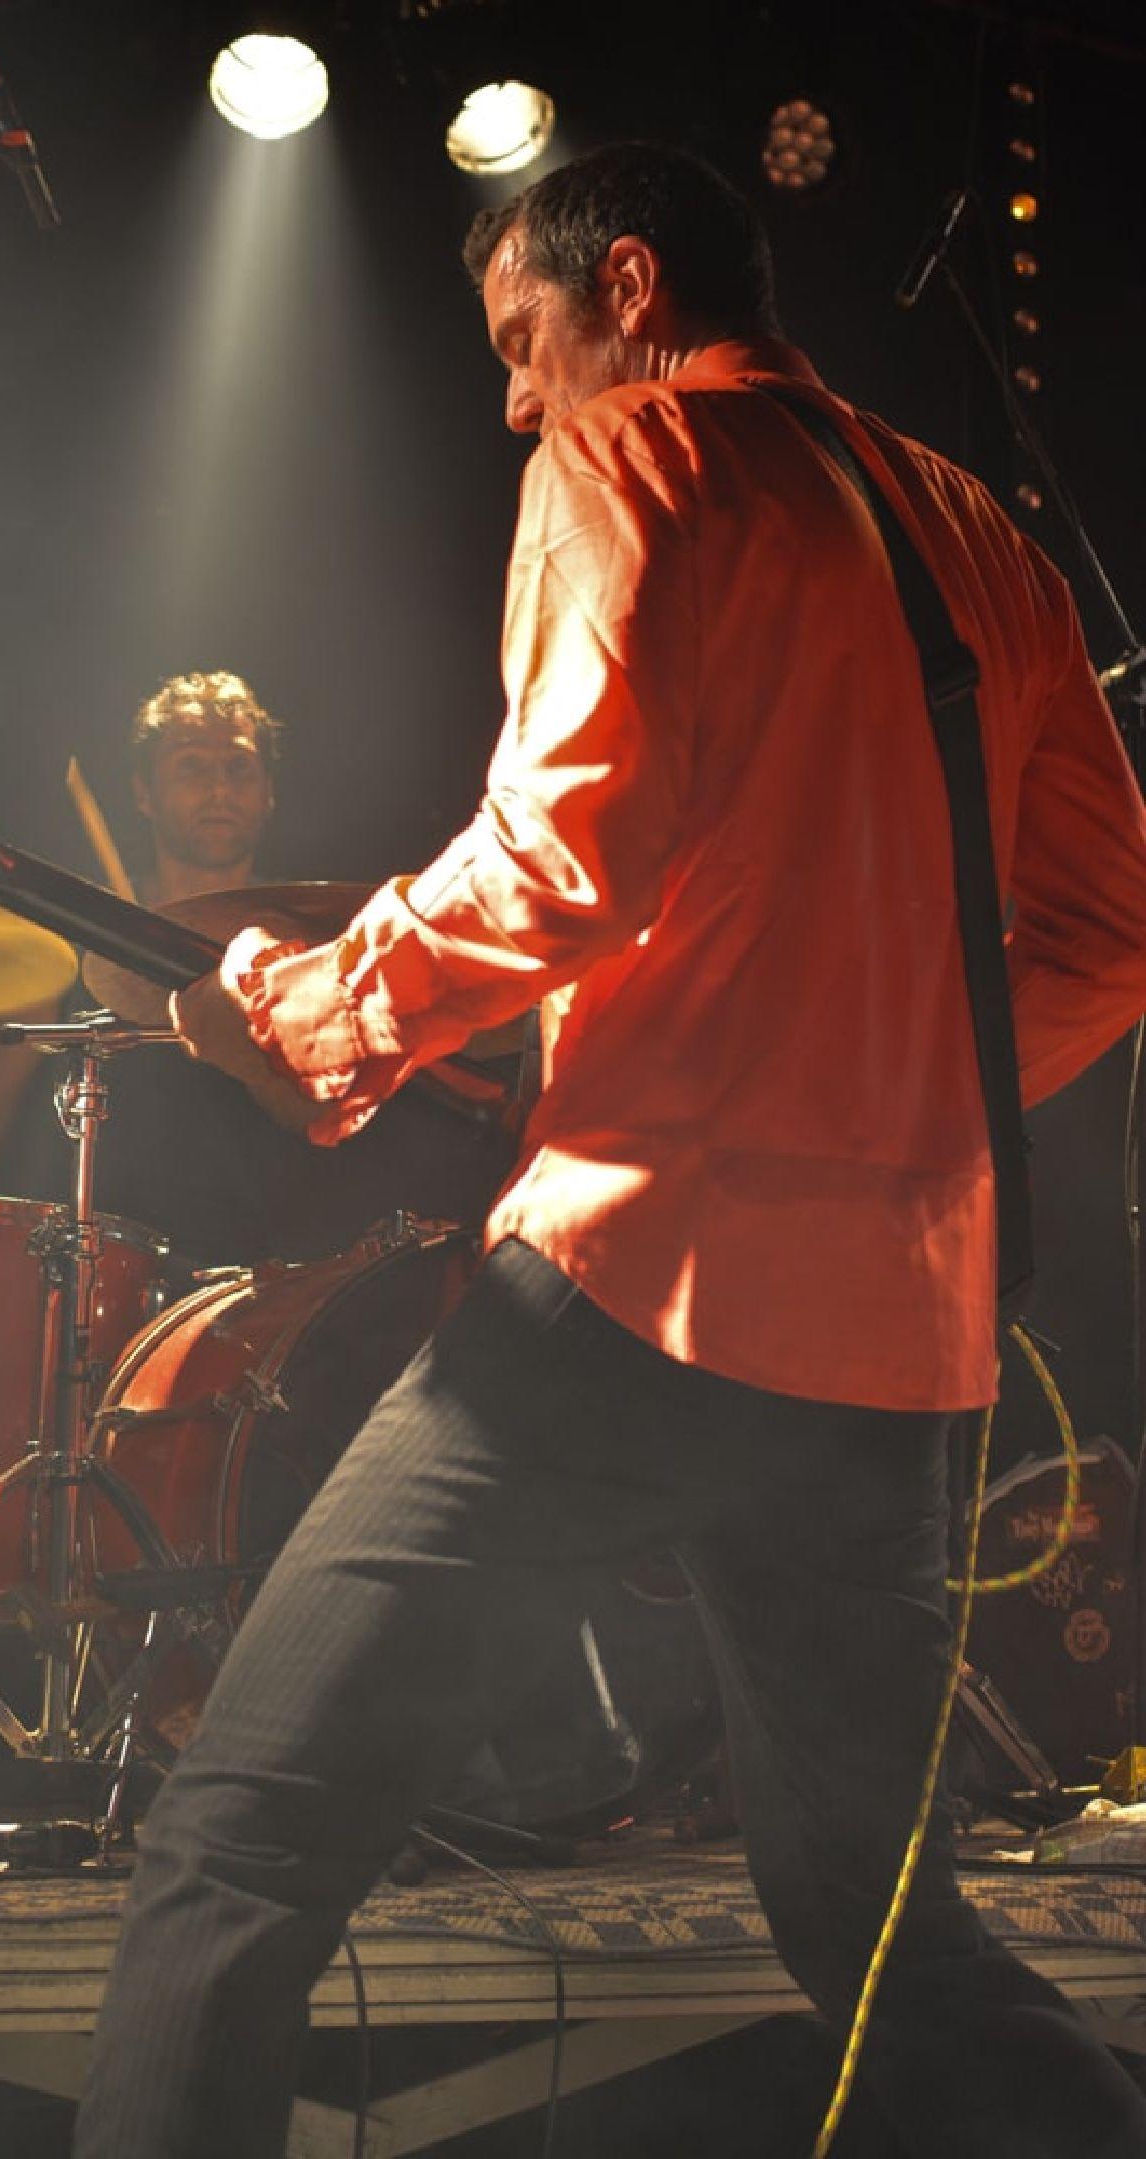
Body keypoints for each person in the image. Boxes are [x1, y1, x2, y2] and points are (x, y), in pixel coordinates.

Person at [74, 144, 1146, 2158]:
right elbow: (1108, 929)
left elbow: (570, 847)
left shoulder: (637, 449)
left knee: (240, 1845)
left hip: (639, 1286)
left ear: (629, 287)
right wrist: (905, 1088)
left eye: (521, 337)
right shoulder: (974, 529)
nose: (512, 396)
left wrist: (320, 1007)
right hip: (896, 1352)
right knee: (884, 1935)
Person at [0, 670, 510, 1257]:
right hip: (108, 1266)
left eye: (239, 767)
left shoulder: (310, 940)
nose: (219, 788)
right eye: (192, 767)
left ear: (268, 792)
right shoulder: (79, 934)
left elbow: (334, 1109)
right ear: (144, 794)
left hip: (275, 1271)